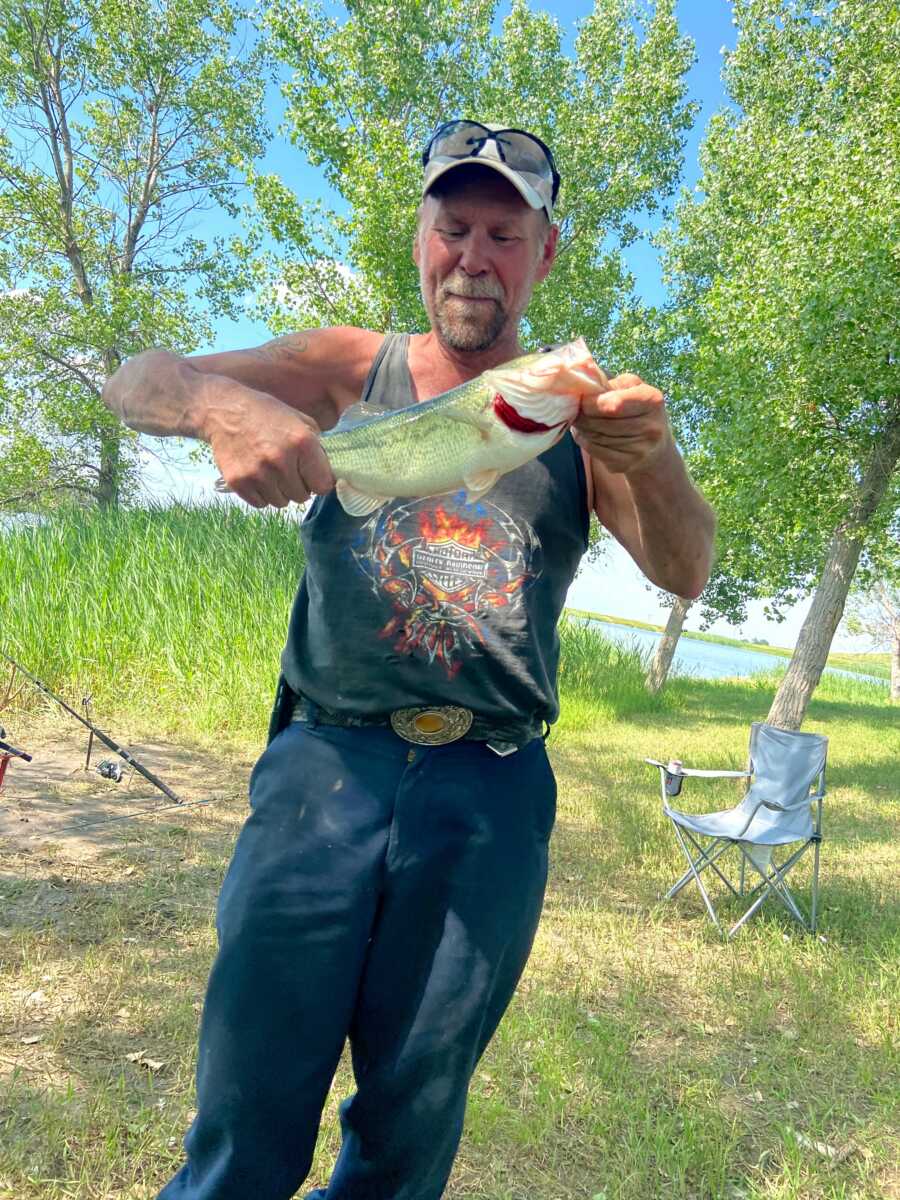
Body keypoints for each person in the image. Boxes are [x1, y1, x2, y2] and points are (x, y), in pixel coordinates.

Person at [103, 119, 715, 1200]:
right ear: (423, 237)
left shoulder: (582, 416)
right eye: (454, 228)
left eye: (504, 234)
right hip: (323, 771)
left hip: (490, 793)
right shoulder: (351, 366)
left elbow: (685, 570)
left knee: (409, 1127)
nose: (475, 258)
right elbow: (135, 381)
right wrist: (219, 405)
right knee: (247, 1108)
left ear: (545, 253)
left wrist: (655, 461)